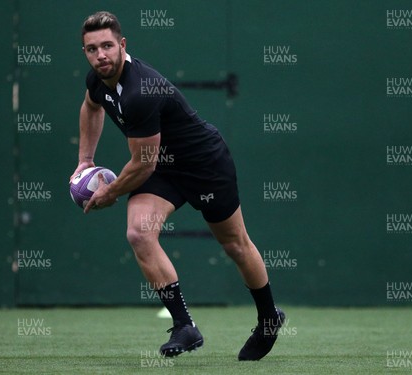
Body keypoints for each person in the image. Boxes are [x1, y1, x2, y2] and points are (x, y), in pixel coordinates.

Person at [71, 11, 284, 361]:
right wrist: (85, 161)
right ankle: (185, 325)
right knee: (139, 233)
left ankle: (268, 319)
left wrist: (109, 192)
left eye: (108, 46)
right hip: (161, 169)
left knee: (235, 244)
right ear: (86, 52)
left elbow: (142, 165)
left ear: (122, 45)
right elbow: (91, 107)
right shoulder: (97, 81)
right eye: (92, 49)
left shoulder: (139, 91)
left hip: (203, 166)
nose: (101, 55)